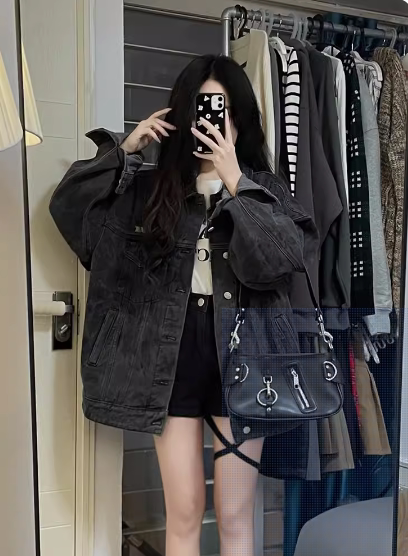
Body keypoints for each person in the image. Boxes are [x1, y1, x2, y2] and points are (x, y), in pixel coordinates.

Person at [50, 55, 318, 556]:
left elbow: (283, 260)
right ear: (183, 115)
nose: (215, 122)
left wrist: (237, 182)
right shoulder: (150, 190)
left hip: (244, 356)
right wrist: (125, 150)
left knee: (236, 512)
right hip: (169, 357)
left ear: (240, 119)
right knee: (185, 509)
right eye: (203, 109)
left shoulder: (264, 190)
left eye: (224, 109)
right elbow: (69, 210)